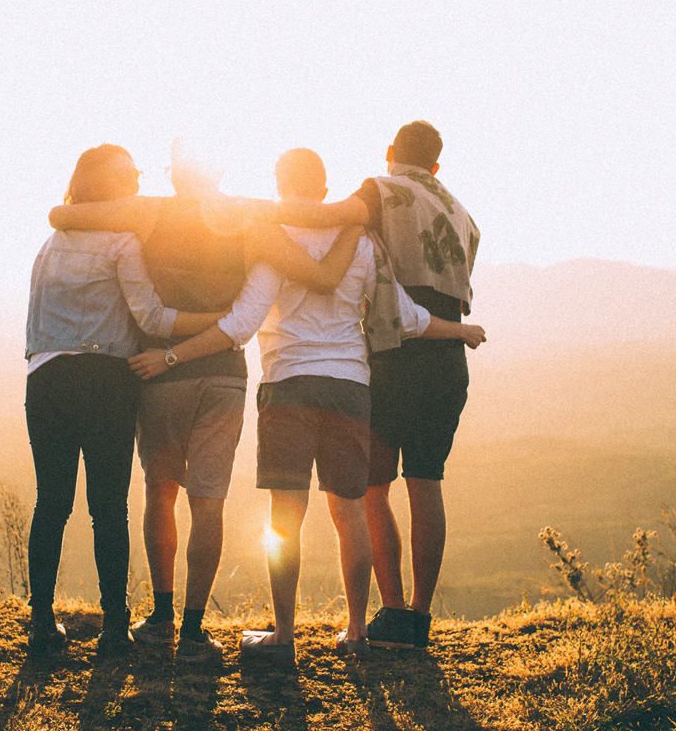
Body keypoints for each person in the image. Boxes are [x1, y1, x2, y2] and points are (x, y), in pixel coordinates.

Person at [129, 148, 485, 662]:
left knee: (285, 518)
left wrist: (171, 355)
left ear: (279, 184)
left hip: (289, 385)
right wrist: (462, 330)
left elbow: (241, 324)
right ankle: (358, 632)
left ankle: (284, 636)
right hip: (351, 388)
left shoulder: (273, 240)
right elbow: (406, 317)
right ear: (324, 190)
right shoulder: (362, 242)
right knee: (350, 514)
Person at [47, 139, 362, 663]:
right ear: (219, 171)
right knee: (208, 501)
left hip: (158, 371)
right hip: (223, 375)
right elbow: (317, 274)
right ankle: (194, 629)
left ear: (174, 175)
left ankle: (162, 615)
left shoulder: (148, 213)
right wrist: (355, 224)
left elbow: (65, 215)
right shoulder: (247, 219)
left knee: (160, 490)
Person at [244, 122, 482, 649]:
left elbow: (322, 217)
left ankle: (390, 613)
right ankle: (417, 619)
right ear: (437, 166)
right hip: (445, 357)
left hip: (393, 355)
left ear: (392, 153)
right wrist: (462, 331)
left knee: (370, 490)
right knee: (427, 484)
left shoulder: (381, 191)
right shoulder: (464, 215)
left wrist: (248, 211)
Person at [24, 144, 224, 657]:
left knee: (51, 503)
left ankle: (41, 624)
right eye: (128, 173)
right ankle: (115, 628)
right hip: (106, 380)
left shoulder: (50, 243)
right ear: (106, 185)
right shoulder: (121, 242)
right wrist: (220, 323)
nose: (137, 179)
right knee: (107, 507)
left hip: (46, 378)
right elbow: (153, 320)